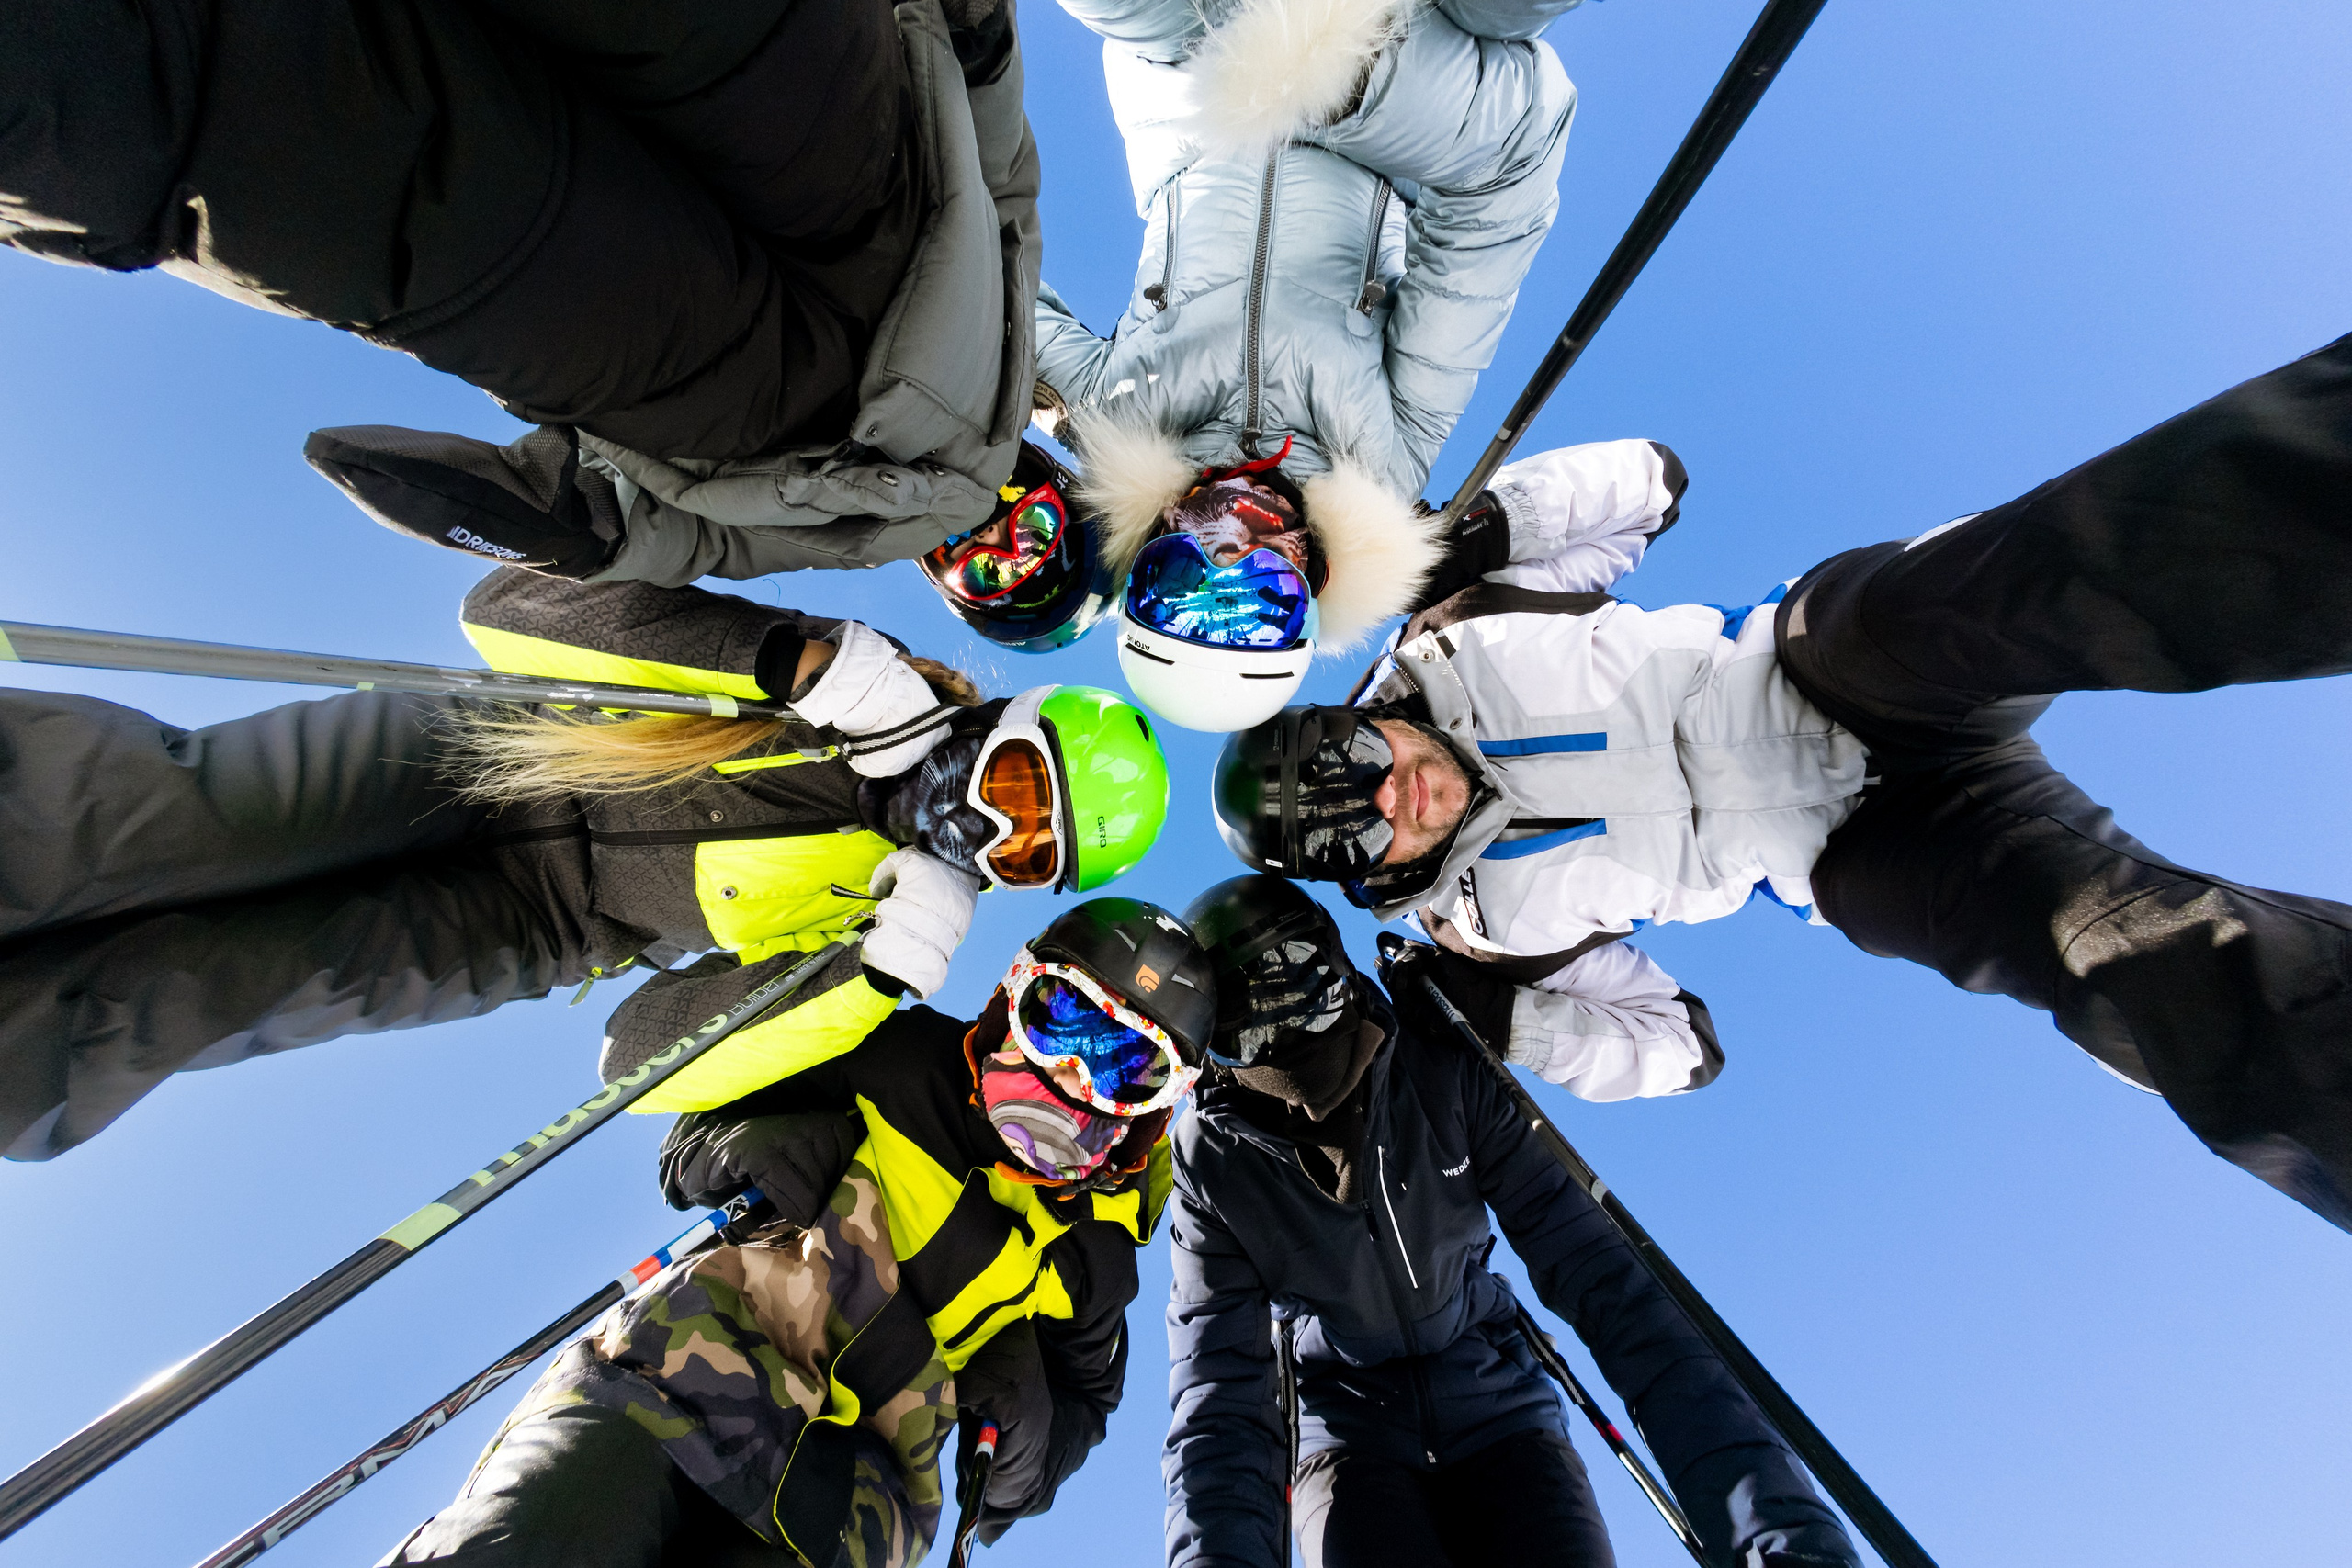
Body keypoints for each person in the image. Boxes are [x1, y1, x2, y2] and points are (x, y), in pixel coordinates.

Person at [1210, 336, 2352, 1232]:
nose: (1392, 800)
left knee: (2013, 591)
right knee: (2119, 957)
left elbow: (1649, 484)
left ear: (1354, 718)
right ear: (1358, 880)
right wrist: (1515, 1024)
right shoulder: (1483, 938)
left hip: (1823, 670)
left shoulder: (1461, 629)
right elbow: (1678, 1048)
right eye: (1354, 838)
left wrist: (1478, 532)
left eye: (1357, 767)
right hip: (1872, 848)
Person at [0, 568, 1170, 1159]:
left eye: (1022, 854)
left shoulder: (873, 915)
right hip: (491, 755)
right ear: (991, 724)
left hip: (534, 928)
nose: (982, 830)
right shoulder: (840, 697)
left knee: (204, 998)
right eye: (1014, 788)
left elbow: (640, 1063)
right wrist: (785, 660)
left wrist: (864, 983)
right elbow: (504, 603)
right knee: (179, 822)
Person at [5, 0, 1040, 582]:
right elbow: (1006, 197)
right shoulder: (1009, 367)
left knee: (370, 177)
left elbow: (711, 541)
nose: (992, 548)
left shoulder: (863, 542)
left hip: (743, 415)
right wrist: (982, 52)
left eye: (988, 579)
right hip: (892, 202)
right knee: (733, 44)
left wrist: (577, 527)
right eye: (1028, 534)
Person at [385, 899, 1218, 1568]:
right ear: (1013, 994)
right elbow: (689, 1139)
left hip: (843, 1511)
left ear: (1155, 1109)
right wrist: (750, 1145)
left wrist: (1028, 1418)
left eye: (1126, 1066)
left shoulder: (1096, 1256)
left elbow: (1057, 1445)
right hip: (671, 1386)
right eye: (1062, 1019)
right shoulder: (893, 1053)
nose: (1074, 1072)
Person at [1163, 874, 1859, 1568]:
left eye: (1309, 1005)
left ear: (1338, 975)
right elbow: (1219, 1408)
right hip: (1344, 1438)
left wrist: (1780, 1537)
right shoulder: (1214, 1161)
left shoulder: (1440, 1063)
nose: (1300, 1050)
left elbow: (1613, 1285)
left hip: (1500, 1407)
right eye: (1261, 1032)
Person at [1026, 0, 1585, 729]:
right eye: (1263, 596)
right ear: (1310, 595)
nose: (1239, 545)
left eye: (1187, 579)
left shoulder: (1115, 427)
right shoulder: (1379, 463)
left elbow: (975, 308)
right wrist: (1332, 78)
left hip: (1196, 99)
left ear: (1144, 564)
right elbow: (1502, 191)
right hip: (1382, 117)